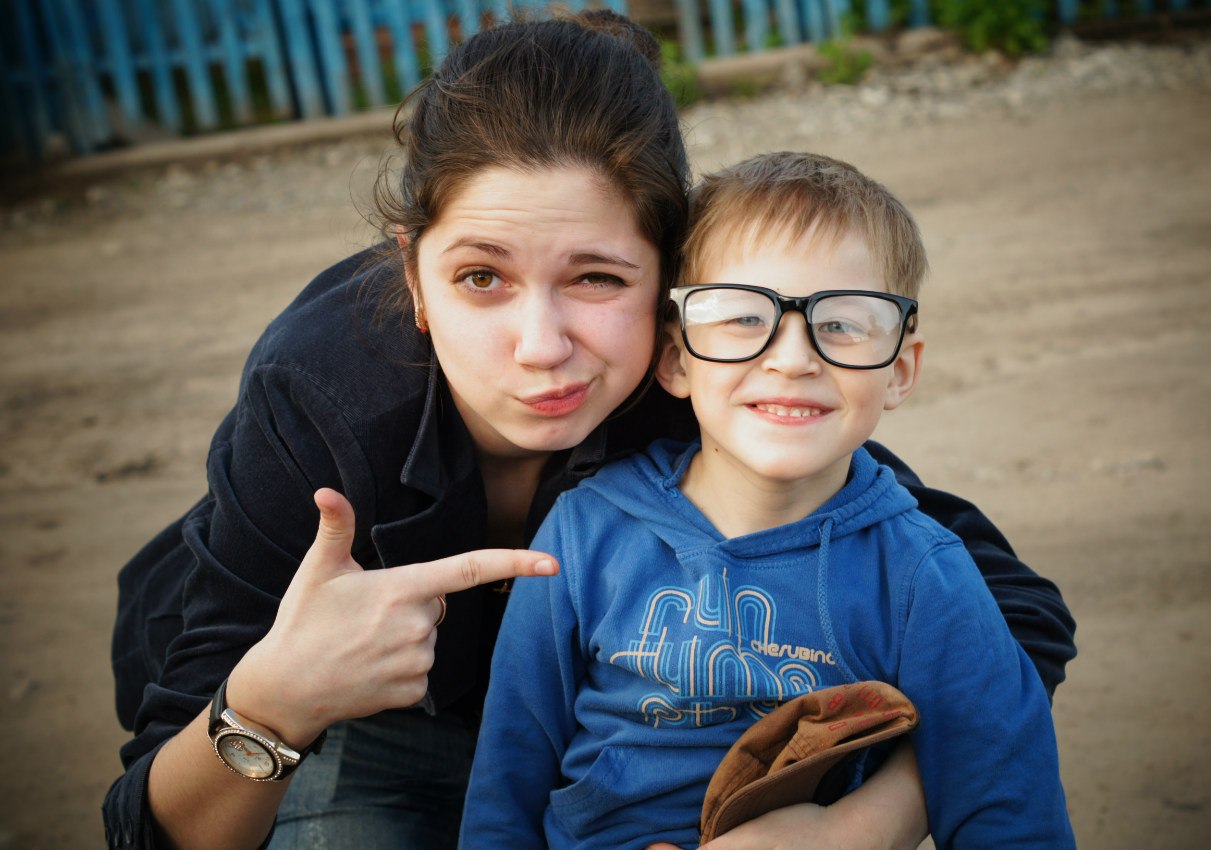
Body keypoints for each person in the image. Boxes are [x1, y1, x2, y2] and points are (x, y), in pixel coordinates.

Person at [103, 14, 1075, 850]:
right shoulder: (321, 395)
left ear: (669, 289)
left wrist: (856, 825)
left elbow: (1013, 618)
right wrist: (276, 700)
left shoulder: (710, 373)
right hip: (364, 723)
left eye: (598, 277)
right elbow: (153, 825)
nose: (542, 347)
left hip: (608, 744)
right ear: (412, 276)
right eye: (480, 276)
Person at [459, 152, 1076, 849]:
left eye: (842, 323)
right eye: (743, 317)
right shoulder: (584, 533)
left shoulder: (922, 576)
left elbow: (1008, 807)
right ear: (676, 358)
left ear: (900, 370)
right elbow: (508, 778)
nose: (792, 358)